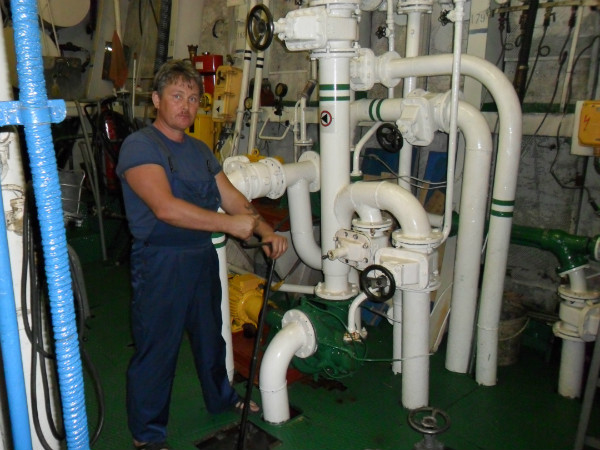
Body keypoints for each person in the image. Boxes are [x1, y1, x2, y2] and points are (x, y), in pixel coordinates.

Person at [116, 59, 288, 450]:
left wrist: (264, 229)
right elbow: (165, 208)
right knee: (158, 348)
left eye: (193, 98)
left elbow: (233, 198)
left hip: (201, 258)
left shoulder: (200, 150)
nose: (186, 105)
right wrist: (228, 225)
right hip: (161, 262)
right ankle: (147, 435)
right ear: (156, 100)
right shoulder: (140, 146)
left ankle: (222, 398)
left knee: (212, 337)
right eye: (177, 96)